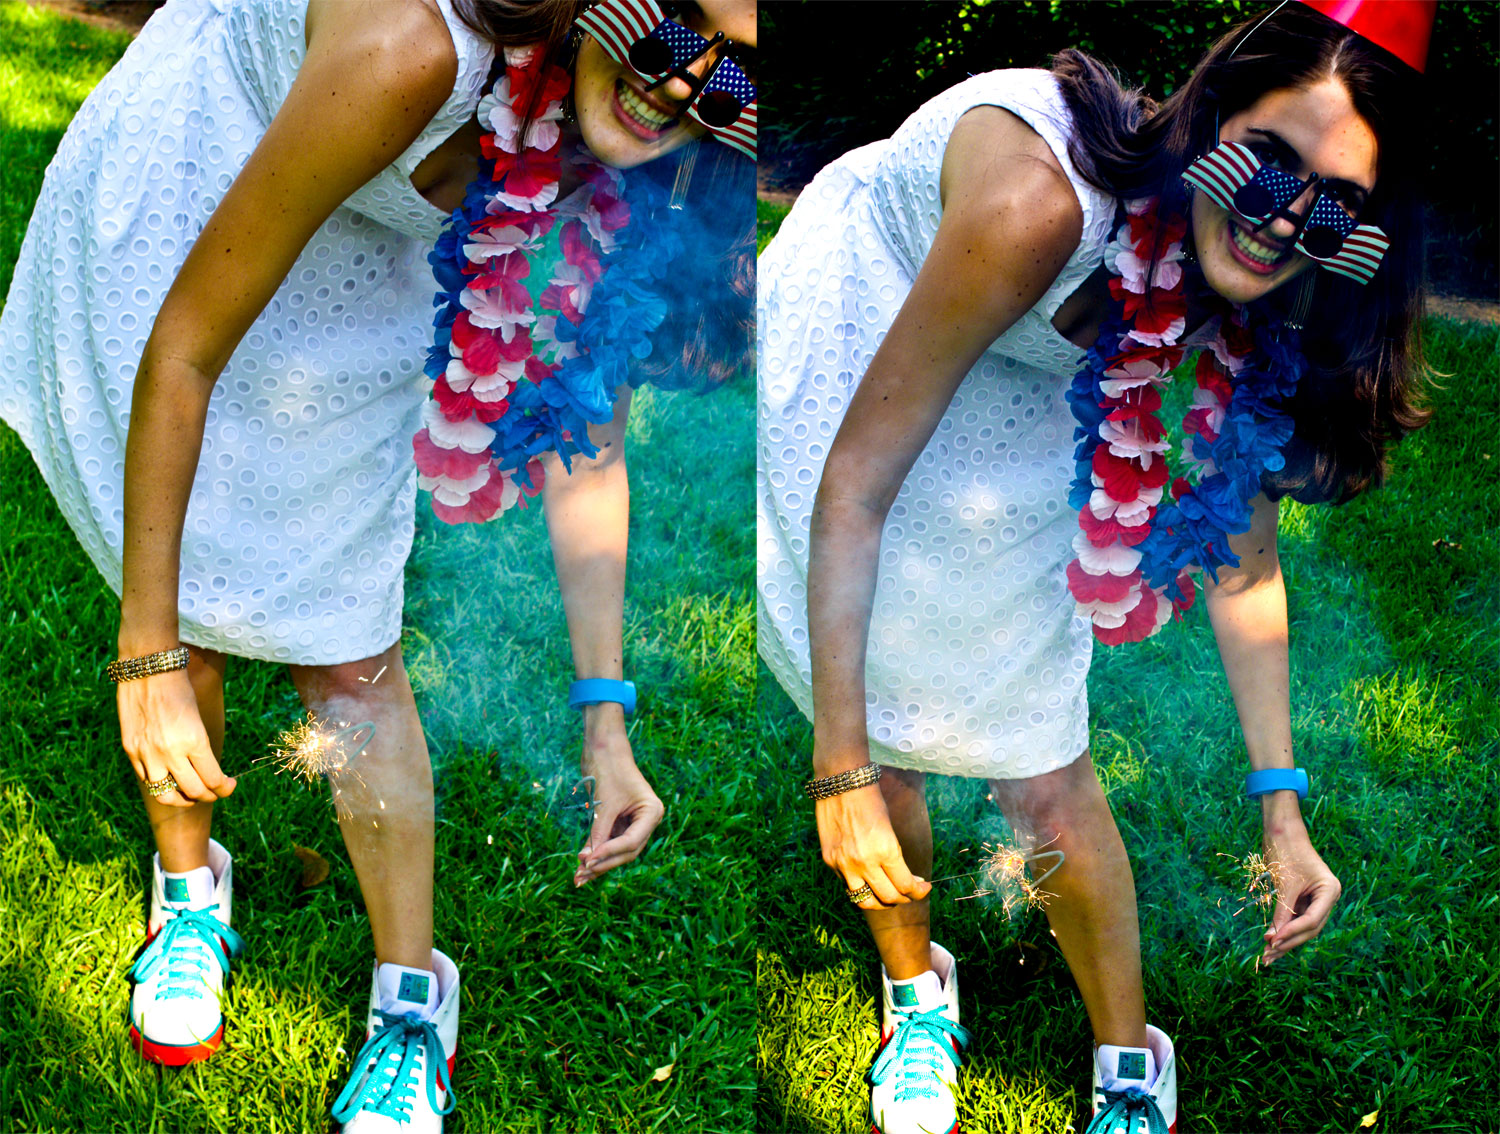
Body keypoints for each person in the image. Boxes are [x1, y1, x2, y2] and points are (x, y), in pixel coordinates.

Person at [0, 0, 754, 1128]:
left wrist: (607, 723)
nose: (688, 82)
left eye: (738, 74)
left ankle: (412, 1001)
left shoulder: (635, 160)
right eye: (679, 27)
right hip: (203, 171)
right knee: (186, 585)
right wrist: (145, 651)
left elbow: (587, 447)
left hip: (362, 228)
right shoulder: (415, 48)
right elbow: (185, 349)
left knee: (353, 654)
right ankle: (188, 891)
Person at [756, 2, 1431, 1132]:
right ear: (1211, 119)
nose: (1281, 221)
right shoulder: (1038, 203)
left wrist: (1282, 811)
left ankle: (1131, 1062)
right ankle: (915, 992)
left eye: (1330, 207)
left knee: (1043, 764)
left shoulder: (1255, 272)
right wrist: (840, 773)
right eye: (1269, 162)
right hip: (876, 312)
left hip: (1018, 365)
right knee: (882, 722)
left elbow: (1242, 561)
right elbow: (856, 485)